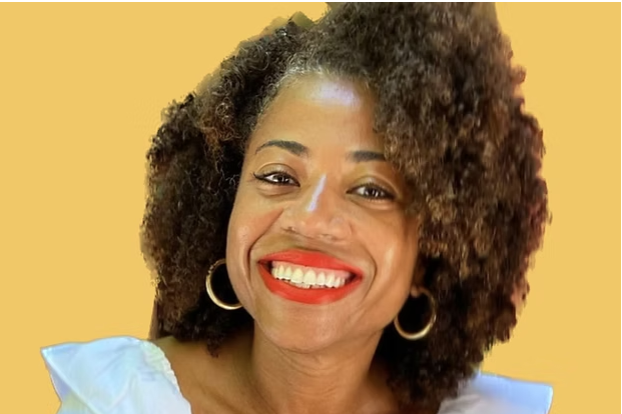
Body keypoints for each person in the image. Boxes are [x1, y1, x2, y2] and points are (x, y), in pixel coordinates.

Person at [41, 3, 553, 414]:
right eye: (279, 177)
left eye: (371, 190)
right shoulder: (123, 402)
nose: (308, 220)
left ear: (434, 249)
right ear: (224, 205)